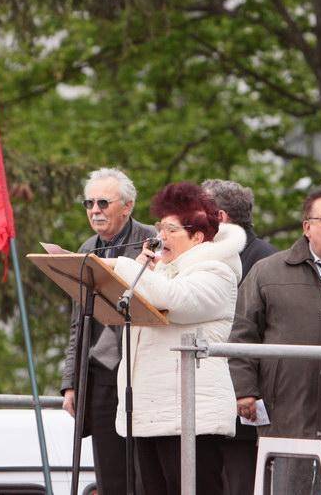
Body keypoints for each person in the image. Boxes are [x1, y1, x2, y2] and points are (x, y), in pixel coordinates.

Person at [229, 181, 321, 495]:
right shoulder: (267, 272)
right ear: (307, 227)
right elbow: (243, 334)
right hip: (287, 419)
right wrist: (245, 391)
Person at [107, 182, 244, 494]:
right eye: (160, 228)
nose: (161, 237)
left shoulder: (217, 272)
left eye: (171, 230)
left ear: (197, 237)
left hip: (193, 416)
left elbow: (173, 300)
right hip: (152, 411)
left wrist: (126, 267)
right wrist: (142, 269)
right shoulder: (161, 272)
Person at [59, 168, 155, 495]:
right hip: (100, 375)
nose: (95, 210)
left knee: (144, 475)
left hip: (140, 372)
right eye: (89, 203)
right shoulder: (87, 247)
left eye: (103, 203)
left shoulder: (151, 240)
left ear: (127, 206)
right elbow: (78, 323)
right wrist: (71, 382)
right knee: (109, 474)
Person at [201, 179, 278, 494]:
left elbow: (257, 331)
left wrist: (246, 390)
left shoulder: (266, 263)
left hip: (244, 404)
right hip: (211, 402)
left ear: (220, 217)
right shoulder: (208, 256)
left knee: (242, 483)